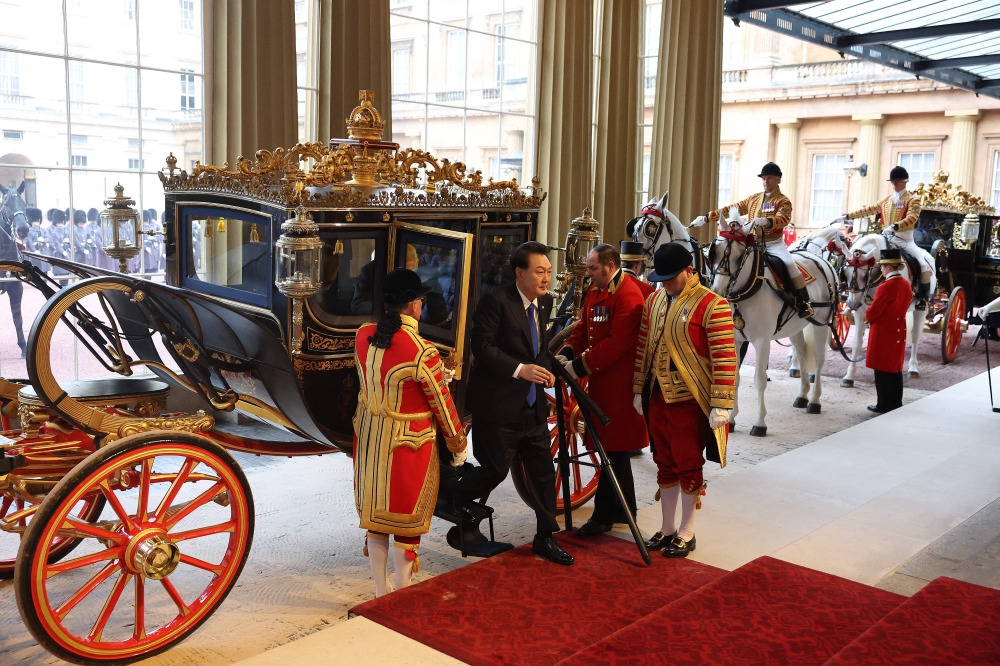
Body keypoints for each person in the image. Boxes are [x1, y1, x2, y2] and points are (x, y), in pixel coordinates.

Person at [453, 241, 574, 565]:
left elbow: (539, 350)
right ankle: (456, 498)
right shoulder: (496, 302)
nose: (546, 278)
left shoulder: (545, 303)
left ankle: (545, 538)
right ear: (520, 273)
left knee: (544, 474)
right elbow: (483, 346)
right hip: (498, 404)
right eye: (539, 271)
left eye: (549, 272)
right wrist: (521, 370)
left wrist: (548, 369)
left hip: (532, 407)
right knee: (494, 472)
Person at [352, 268, 468, 597]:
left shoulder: (362, 335)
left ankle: (380, 589)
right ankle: (403, 588)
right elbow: (442, 404)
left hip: (370, 443)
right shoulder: (422, 350)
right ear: (415, 305)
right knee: (405, 522)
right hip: (408, 445)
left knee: (376, 519)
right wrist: (458, 442)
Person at [633, 243, 737, 558]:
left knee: (688, 465)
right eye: (660, 277)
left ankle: (687, 532)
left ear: (689, 271)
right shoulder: (653, 301)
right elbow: (643, 348)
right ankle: (667, 529)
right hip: (657, 398)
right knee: (663, 463)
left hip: (690, 402)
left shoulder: (713, 304)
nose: (663, 283)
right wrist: (639, 389)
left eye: (670, 277)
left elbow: (724, 358)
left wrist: (722, 403)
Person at [556, 243, 647, 535]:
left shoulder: (627, 294)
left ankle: (603, 517)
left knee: (614, 449)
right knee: (613, 450)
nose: (589, 273)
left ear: (609, 266)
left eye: (593, 268)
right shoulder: (597, 291)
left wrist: (579, 366)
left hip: (620, 386)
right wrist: (568, 353)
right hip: (602, 382)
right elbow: (584, 328)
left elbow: (616, 344)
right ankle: (623, 510)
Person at [699, 162, 812, 318]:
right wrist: (707, 217)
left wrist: (768, 221)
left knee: (790, 265)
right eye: (764, 179)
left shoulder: (783, 201)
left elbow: (784, 218)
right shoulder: (753, 199)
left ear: (778, 179)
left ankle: (802, 302)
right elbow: (732, 209)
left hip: (773, 244)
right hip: (753, 243)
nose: (766, 182)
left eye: (770, 178)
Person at [843, 166, 931, 310]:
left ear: (905, 181)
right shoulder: (886, 200)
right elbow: (869, 210)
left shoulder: (913, 200)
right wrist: (848, 216)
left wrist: (895, 226)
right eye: (893, 182)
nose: (894, 184)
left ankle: (922, 298)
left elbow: (912, 217)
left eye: (897, 181)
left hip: (905, 240)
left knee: (922, 263)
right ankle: (860, 293)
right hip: (885, 239)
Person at [865, 249, 911, 414]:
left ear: (890, 268)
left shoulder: (886, 286)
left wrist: (867, 317)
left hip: (883, 330)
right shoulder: (905, 283)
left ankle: (883, 403)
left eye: (883, 267)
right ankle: (895, 401)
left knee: (882, 369)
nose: (882, 270)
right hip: (898, 329)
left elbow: (875, 310)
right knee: (894, 369)